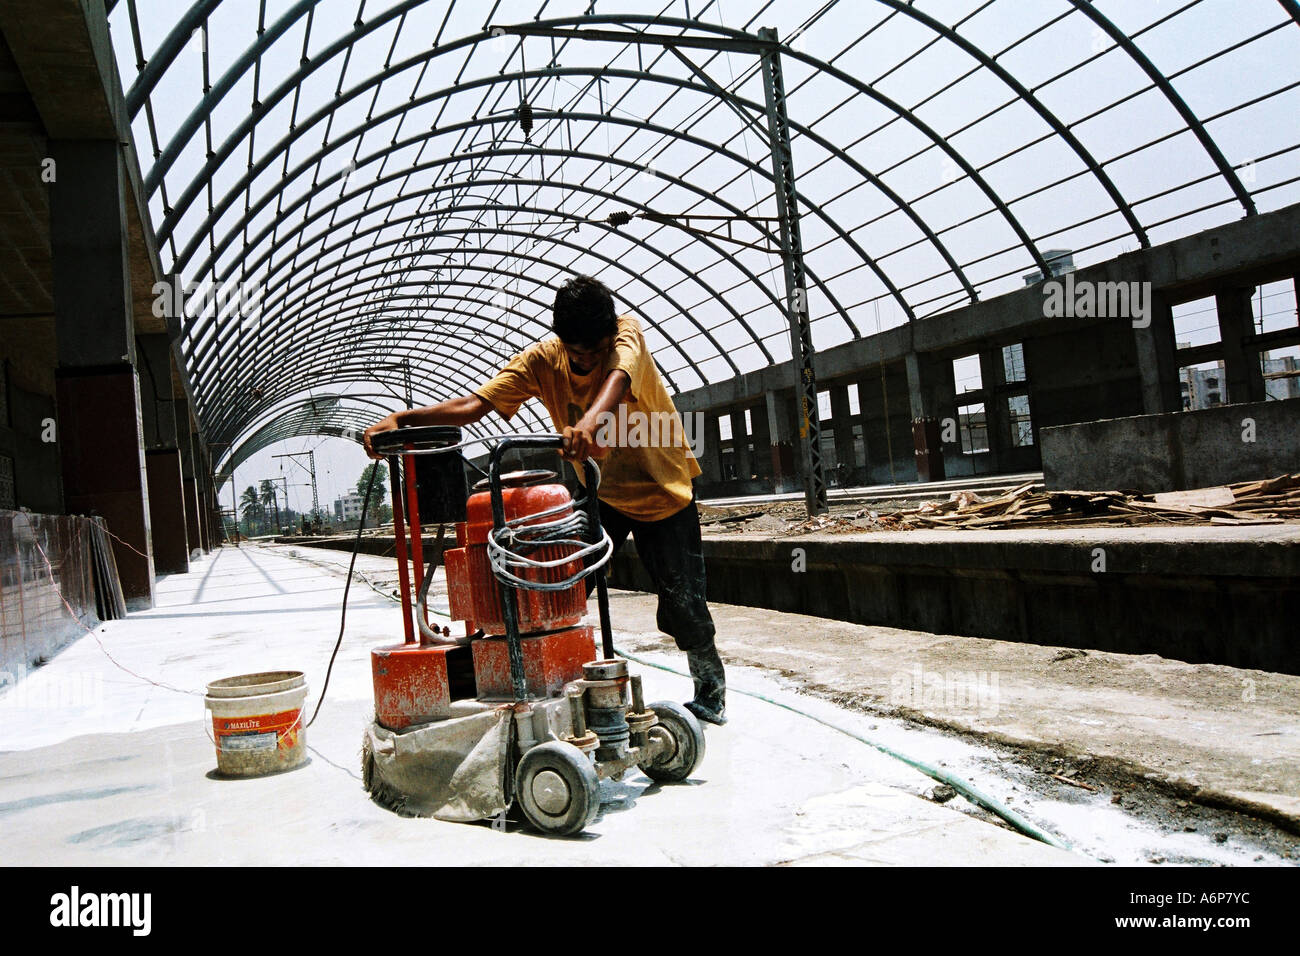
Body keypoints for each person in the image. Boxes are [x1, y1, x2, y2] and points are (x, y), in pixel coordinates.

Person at [363, 276, 727, 724]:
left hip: (662, 492)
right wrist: (404, 418)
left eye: (596, 349)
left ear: (610, 333)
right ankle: (532, 675)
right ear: (561, 341)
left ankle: (710, 689)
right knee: (557, 583)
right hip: (599, 493)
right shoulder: (541, 362)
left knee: (682, 601)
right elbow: (477, 405)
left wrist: (589, 425)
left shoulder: (626, 335)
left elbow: (617, 379)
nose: (589, 359)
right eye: (579, 354)